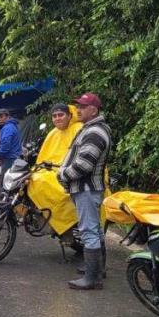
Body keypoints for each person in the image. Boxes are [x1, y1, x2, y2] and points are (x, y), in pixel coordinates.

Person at [57, 93, 112, 290]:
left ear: (94, 110)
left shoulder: (95, 132)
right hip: (88, 188)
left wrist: (62, 174)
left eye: (82, 106)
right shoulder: (92, 129)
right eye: (77, 106)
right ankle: (97, 270)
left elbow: (84, 165)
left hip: (86, 188)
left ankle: (93, 278)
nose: (78, 110)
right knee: (95, 229)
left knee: (89, 230)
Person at [27, 103, 84, 249]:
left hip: (72, 173)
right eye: (54, 116)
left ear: (70, 115)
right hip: (51, 170)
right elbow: (43, 157)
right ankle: (46, 218)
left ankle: (65, 229)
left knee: (57, 191)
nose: (57, 118)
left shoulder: (78, 130)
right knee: (31, 180)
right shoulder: (53, 133)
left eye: (61, 115)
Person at [0, 108, 21, 183]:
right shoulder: (13, 126)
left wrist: (0, 155)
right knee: (12, 182)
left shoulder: (7, 128)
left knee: (5, 183)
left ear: (8, 116)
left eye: (1, 116)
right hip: (15, 158)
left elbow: (5, 144)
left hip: (9, 159)